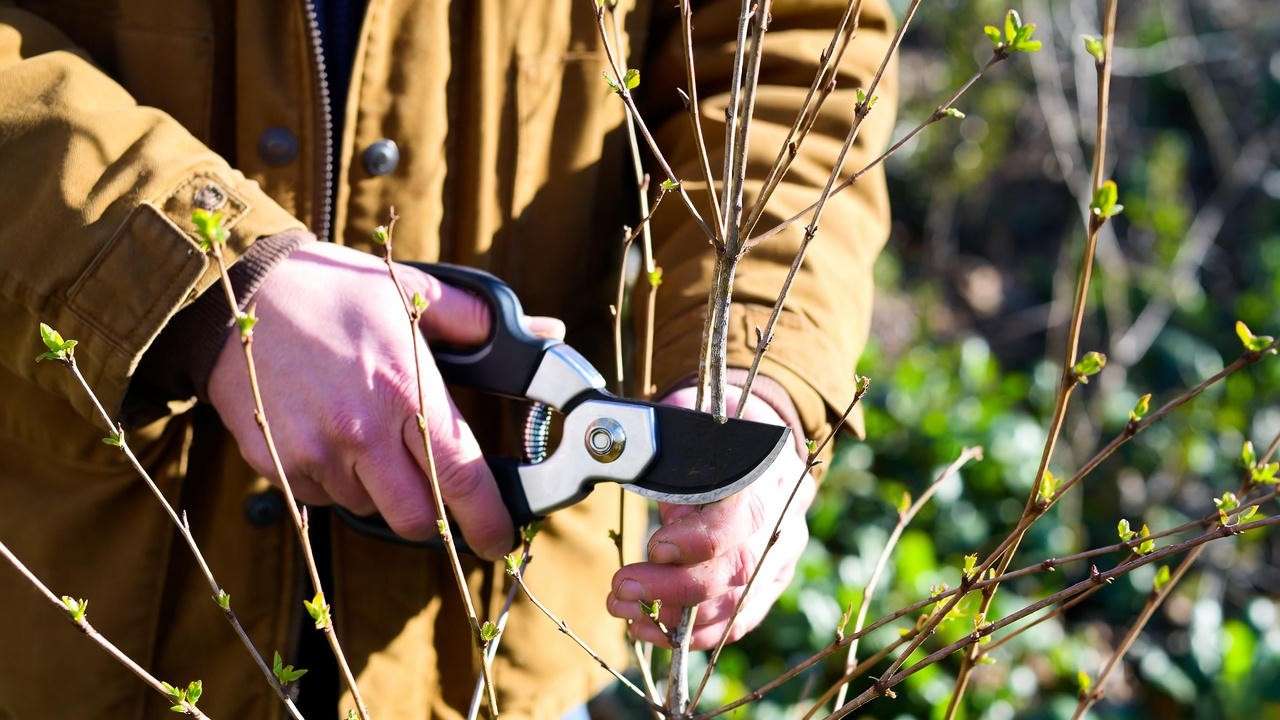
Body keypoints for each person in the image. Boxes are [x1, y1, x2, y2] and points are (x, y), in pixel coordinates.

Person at [0, 1, 896, 717]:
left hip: (508, 656)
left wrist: (752, 362)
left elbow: (789, 45)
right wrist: (204, 280)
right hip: (67, 616)